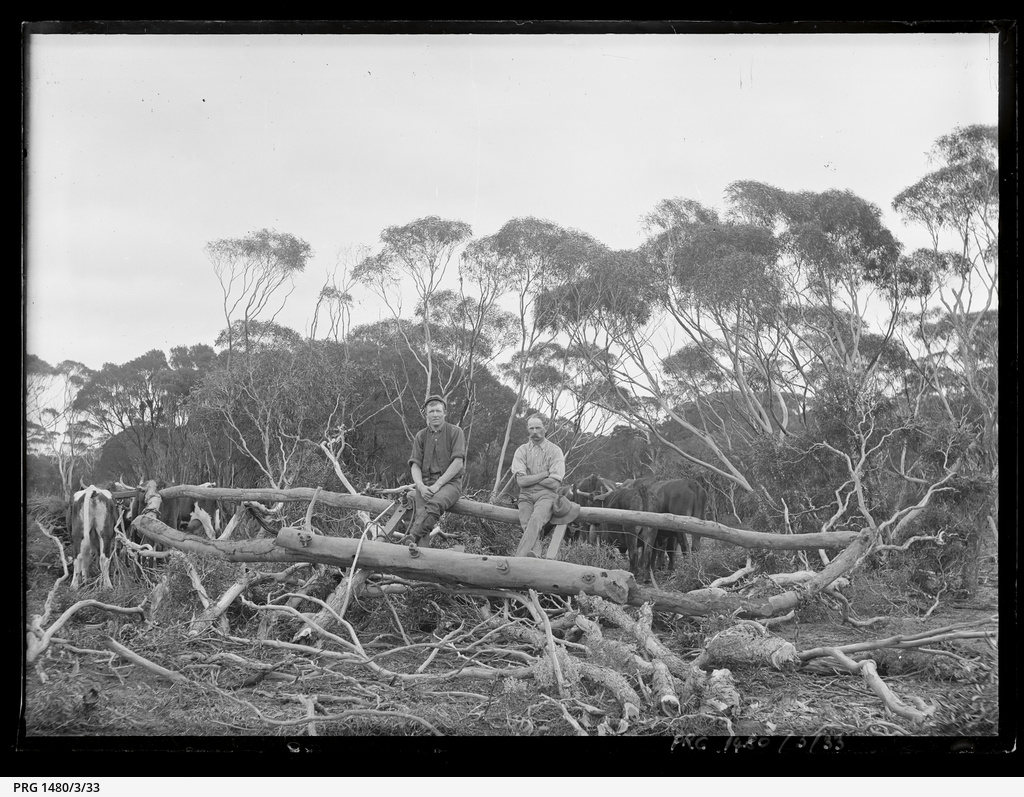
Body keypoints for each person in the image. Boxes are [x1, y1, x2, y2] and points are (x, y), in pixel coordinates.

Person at [403, 395, 467, 548]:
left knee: (435, 503)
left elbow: (458, 463)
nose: (435, 414)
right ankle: (417, 557)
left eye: (438, 411)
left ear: (445, 413)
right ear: (426, 414)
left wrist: (438, 485)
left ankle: (412, 536)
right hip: (425, 485)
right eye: (431, 411)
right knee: (421, 516)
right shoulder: (421, 436)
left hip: (450, 484)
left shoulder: (455, 432)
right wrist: (420, 486)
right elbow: (415, 465)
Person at [510, 413, 568, 557]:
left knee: (536, 518)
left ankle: (519, 557)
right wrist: (543, 474)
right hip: (525, 496)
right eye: (531, 428)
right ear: (528, 430)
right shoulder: (521, 451)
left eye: (538, 428)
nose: (534, 432)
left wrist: (529, 478)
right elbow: (521, 482)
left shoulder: (555, 451)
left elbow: (554, 483)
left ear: (545, 428)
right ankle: (535, 554)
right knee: (525, 521)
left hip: (546, 496)